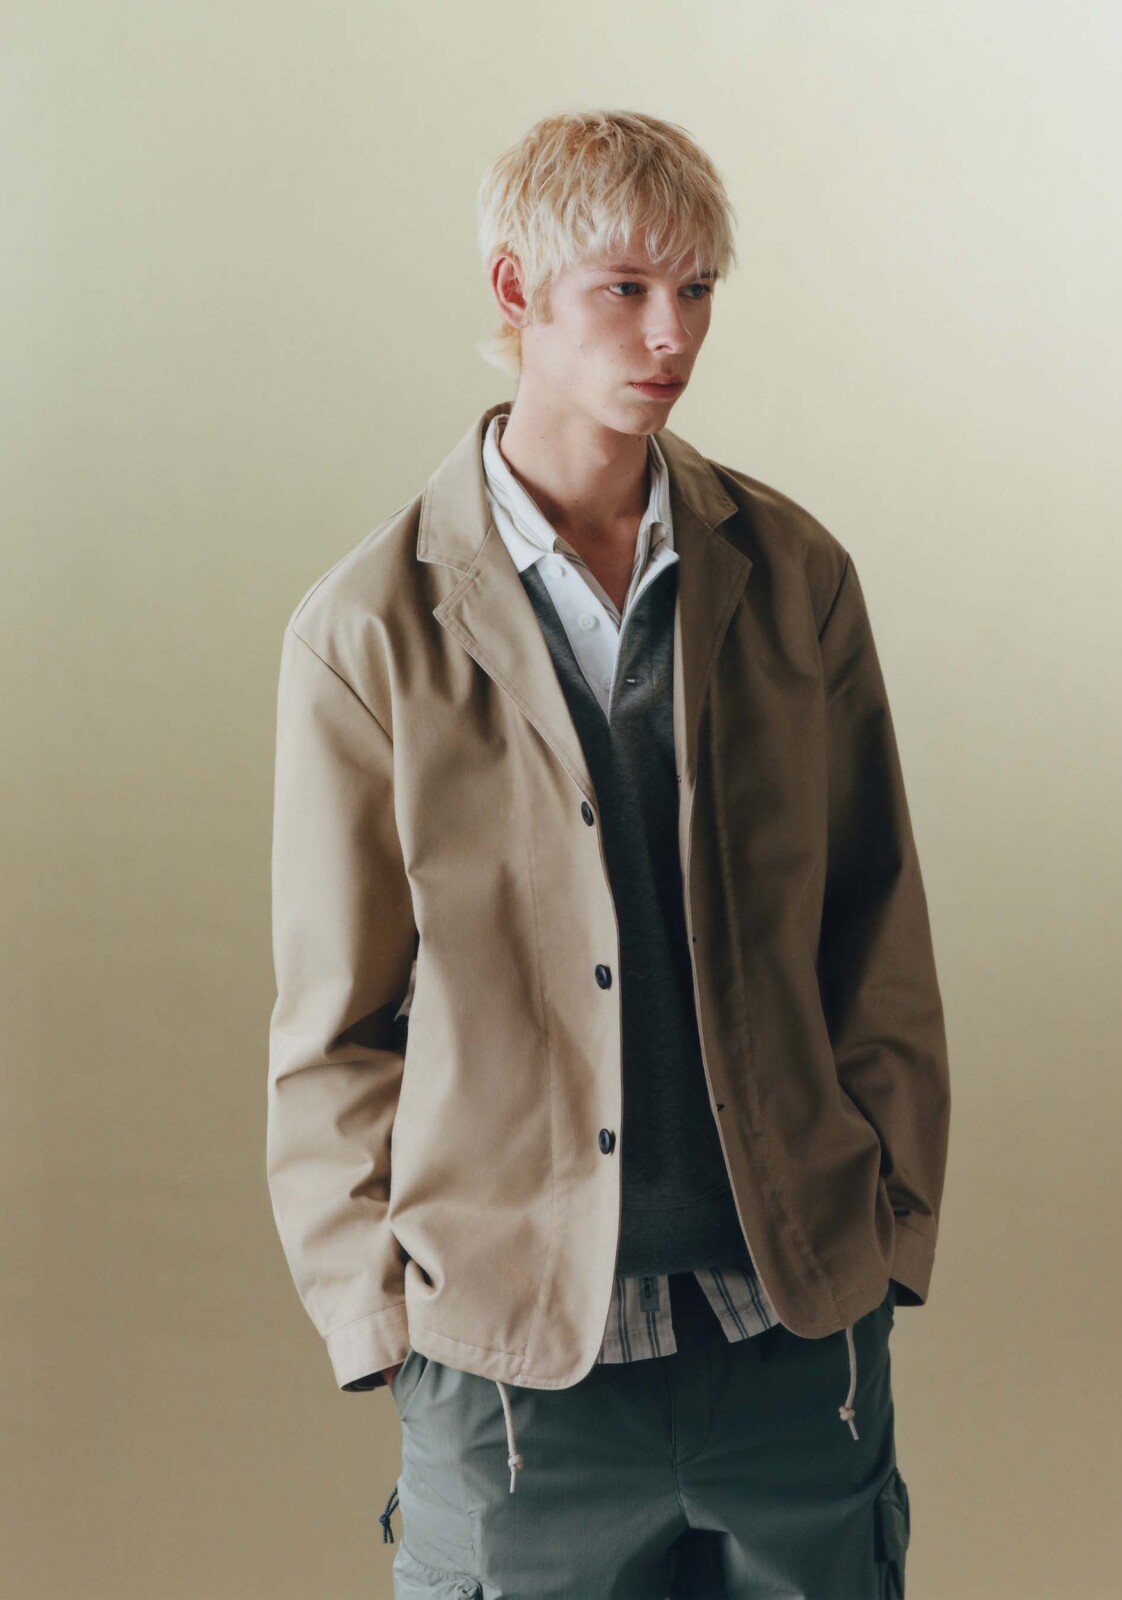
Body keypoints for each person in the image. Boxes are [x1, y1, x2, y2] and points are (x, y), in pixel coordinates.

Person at [266, 108, 950, 1599]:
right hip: (518, 1385)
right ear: (516, 292)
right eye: (626, 289)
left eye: (697, 290)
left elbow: (873, 928)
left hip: (794, 1343)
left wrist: (890, 1230)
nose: (671, 334)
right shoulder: (368, 631)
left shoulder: (795, 578)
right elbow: (334, 1025)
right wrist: (378, 1320)